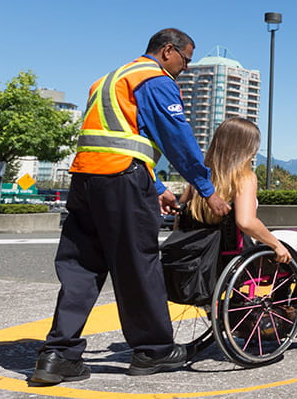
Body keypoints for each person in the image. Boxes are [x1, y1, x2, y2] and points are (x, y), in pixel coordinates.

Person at [30, 28, 231, 385]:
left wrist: (155, 186)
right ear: (168, 51)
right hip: (123, 181)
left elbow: (117, 139)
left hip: (85, 180)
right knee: (139, 262)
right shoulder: (154, 79)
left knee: (80, 267)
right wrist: (206, 189)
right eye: (186, 59)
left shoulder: (107, 81)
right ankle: (153, 350)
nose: (185, 67)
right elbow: (177, 139)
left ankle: (58, 354)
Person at [180, 117, 297, 276]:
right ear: (247, 148)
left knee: (294, 230)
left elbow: (180, 218)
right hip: (243, 257)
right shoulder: (243, 177)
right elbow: (245, 222)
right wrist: (276, 246)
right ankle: (296, 294)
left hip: (208, 254)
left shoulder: (199, 179)